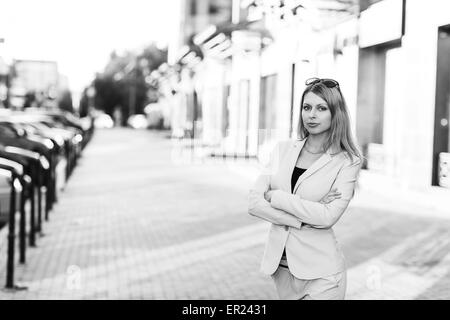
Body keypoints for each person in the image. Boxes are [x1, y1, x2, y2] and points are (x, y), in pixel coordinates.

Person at [248, 77, 362, 300]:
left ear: (335, 113)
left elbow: (327, 217)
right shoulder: (282, 150)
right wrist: (302, 217)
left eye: (321, 108)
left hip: (323, 275)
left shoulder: (347, 161)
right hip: (282, 271)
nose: (311, 115)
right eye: (307, 107)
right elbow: (254, 203)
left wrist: (276, 197)